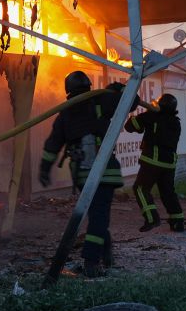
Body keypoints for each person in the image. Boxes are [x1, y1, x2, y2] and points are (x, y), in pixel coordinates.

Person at [38, 71, 133, 277]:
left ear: (68, 90)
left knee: (97, 215)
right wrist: (120, 89)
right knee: (99, 216)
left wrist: (44, 169)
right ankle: (93, 261)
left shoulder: (65, 112)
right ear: (89, 85)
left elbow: (53, 144)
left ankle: (100, 255)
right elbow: (131, 101)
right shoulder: (103, 100)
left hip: (83, 175)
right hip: (105, 172)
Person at [125, 93, 185, 232]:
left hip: (153, 161)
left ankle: (152, 218)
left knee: (140, 189)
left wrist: (147, 112)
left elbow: (130, 126)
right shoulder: (176, 122)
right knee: (168, 192)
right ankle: (178, 222)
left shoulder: (151, 117)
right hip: (169, 163)